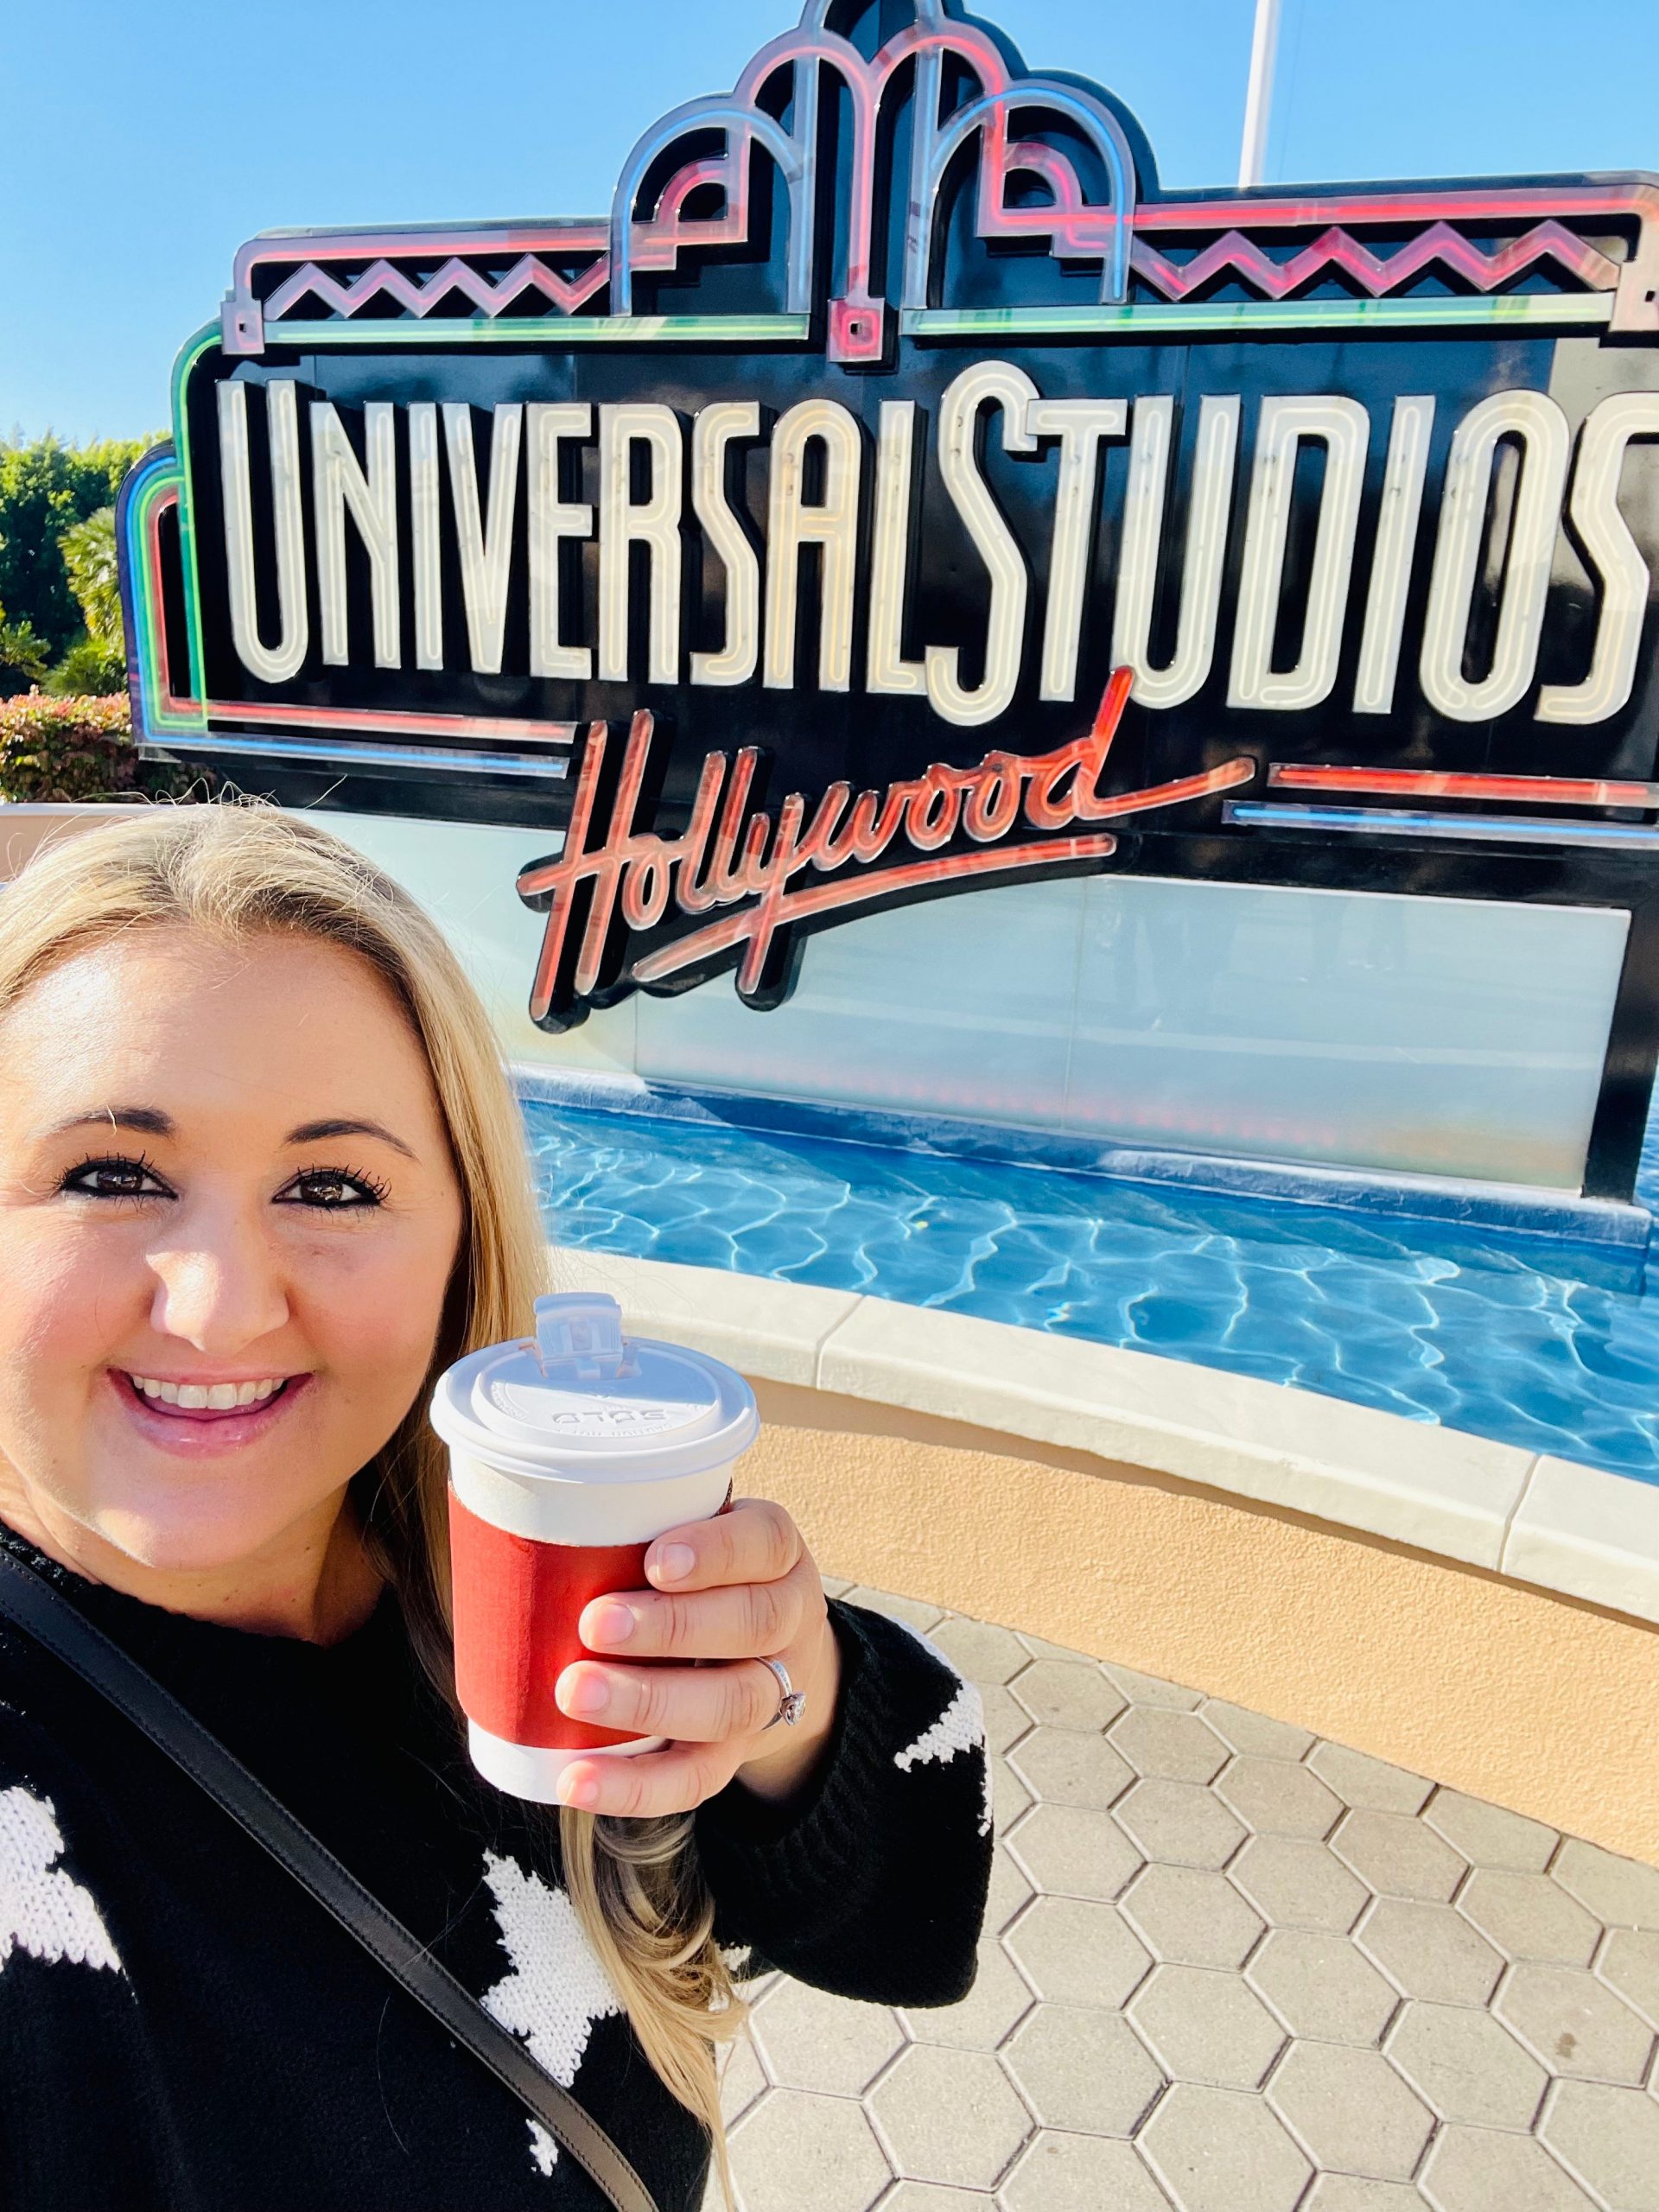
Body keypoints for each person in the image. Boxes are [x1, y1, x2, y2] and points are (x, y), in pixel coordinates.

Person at [0, 806, 992, 2212]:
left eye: (332, 1186)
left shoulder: (515, 1573)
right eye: (112, 1175)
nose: (219, 1307)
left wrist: (793, 1697)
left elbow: (916, 1918)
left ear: (465, 1235)